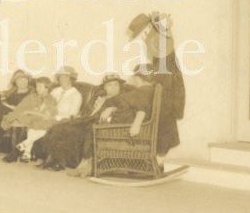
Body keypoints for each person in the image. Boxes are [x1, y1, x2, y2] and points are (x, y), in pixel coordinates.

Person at [67, 67, 157, 177]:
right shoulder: (146, 90)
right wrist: (111, 108)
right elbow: (132, 106)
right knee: (89, 125)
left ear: (138, 78)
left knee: (91, 128)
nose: (132, 78)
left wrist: (136, 124)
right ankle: (85, 166)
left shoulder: (140, 91)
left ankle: (84, 167)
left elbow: (141, 109)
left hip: (121, 127)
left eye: (134, 76)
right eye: (110, 85)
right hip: (119, 122)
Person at [127, 12, 184, 160]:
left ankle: (159, 160)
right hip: (164, 84)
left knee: (162, 121)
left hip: (167, 89)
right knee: (161, 123)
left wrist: (151, 83)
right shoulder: (156, 44)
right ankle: (158, 159)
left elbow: (165, 72)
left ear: (149, 28)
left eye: (144, 33)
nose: (143, 38)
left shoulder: (160, 43)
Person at [34, 74, 116, 170]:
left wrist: (113, 108)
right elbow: (87, 111)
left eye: (115, 85)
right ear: (104, 87)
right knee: (58, 128)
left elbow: (122, 106)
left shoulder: (119, 99)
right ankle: (51, 158)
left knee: (67, 130)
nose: (113, 87)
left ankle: (57, 161)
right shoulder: (100, 97)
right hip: (84, 119)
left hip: (94, 123)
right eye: (109, 85)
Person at [1, 76, 56, 162]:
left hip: (43, 120)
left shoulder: (51, 100)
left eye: (40, 86)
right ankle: (24, 153)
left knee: (37, 126)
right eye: (36, 86)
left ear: (47, 88)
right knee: (19, 122)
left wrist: (29, 112)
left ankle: (19, 150)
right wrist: (18, 114)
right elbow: (20, 107)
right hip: (30, 118)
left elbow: (46, 116)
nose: (37, 89)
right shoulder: (32, 96)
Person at [0, 70, 32, 159]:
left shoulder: (31, 93)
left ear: (28, 80)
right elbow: (1, 95)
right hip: (5, 115)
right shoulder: (12, 91)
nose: (22, 82)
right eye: (19, 80)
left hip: (19, 114)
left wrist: (7, 105)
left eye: (24, 79)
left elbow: (24, 109)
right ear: (15, 82)